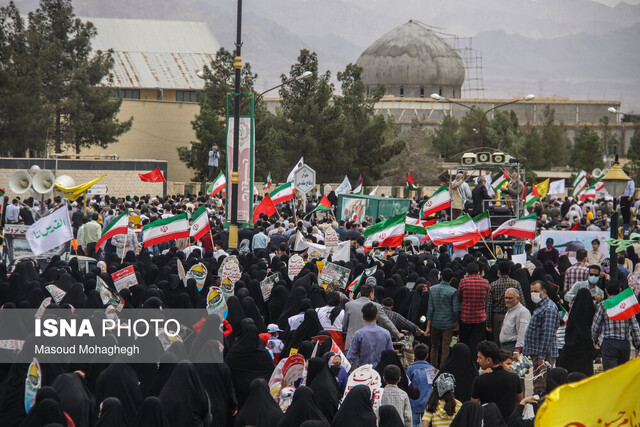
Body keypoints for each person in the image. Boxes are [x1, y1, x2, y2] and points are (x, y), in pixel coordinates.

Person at [523, 280, 561, 395]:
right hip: (538, 352)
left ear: (543, 292)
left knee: (541, 385)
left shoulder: (548, 308)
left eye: (536, 291)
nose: (533, 294)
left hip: (544, 354)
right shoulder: (541, 306)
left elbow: (547, 334)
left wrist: (541, 357)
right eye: (531, 291)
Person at [591, 285, 640, 370]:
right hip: (624, 344)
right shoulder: (626, 306)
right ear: (620, 290)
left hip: (609, 343)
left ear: (606, 291)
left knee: (610, 374)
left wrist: (594, 341)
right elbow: (634, 326)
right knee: (622, 373)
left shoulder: (603, 305)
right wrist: (638, 344)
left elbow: (596, 326)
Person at [471, 341, 522, 422]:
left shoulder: (479, 380)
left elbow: (474, 407)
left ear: (488, 360)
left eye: (480, 358)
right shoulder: (514, 378)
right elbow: (519, 401)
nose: (477, 360)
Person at [343, 284, 400, 351]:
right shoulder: (376, 306)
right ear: (371, 294)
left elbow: (345, 325)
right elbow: (386, 322)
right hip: (369, 344)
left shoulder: (349, 305)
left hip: (352, 343)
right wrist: (398, 335)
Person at [557, 288, 598, 377]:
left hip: (572, 346)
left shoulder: (574, 311)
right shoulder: (593, 311)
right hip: (587, 347)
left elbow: (569, 329)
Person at [426, 268, 460, 368]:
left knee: (434, 346)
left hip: (435, 322)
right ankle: (443, 368)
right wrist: (456, 322)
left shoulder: (432, 289)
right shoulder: (453, 291)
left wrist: (428, 326)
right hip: (448, 323)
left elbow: (430, 309)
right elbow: (455, 310)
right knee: (445, 348)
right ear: (452, 279)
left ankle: (433, 367)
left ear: (441, 277)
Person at [457, 262, 490, 361]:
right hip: (480, 318)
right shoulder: (485, 282)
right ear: (479, 272)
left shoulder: (463, 282)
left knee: (464, 342)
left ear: (467, 272)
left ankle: (464, 362)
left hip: (465, 318)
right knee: (475, 344)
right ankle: (475, 364)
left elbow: (459, 297)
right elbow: (486, 297)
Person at [486, 262, 523, 346]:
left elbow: (489, 306)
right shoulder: (515, 284)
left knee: (498, 340)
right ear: (509, 270)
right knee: (513, 339)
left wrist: (488, 323)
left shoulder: (493, 285)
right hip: (514, 314)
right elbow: (522, 301)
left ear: (498, 271)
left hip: (497, 317)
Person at [347, 302, 393, 368]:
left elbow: (351, 357)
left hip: (363, 372)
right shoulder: (386, 333)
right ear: (376, 317)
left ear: (363, 317)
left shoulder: (359, 334)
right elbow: (390, 356)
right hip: (380, 372)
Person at [405, 344, 438, 427]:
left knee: (413, 424)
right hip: (429, 403)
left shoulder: (410, 369)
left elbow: (406, 384)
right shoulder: (433, 370)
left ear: (414, 355)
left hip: (413, 403)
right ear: (427, 355)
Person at [499, 288, 531, 356]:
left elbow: (522, 332)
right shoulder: (510, 310)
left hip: (513, 347)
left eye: (510, 298)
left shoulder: (522, 311)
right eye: (506, 298)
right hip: (505, 346)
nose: (507, 300)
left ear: (518, 298)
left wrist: (517, 351)